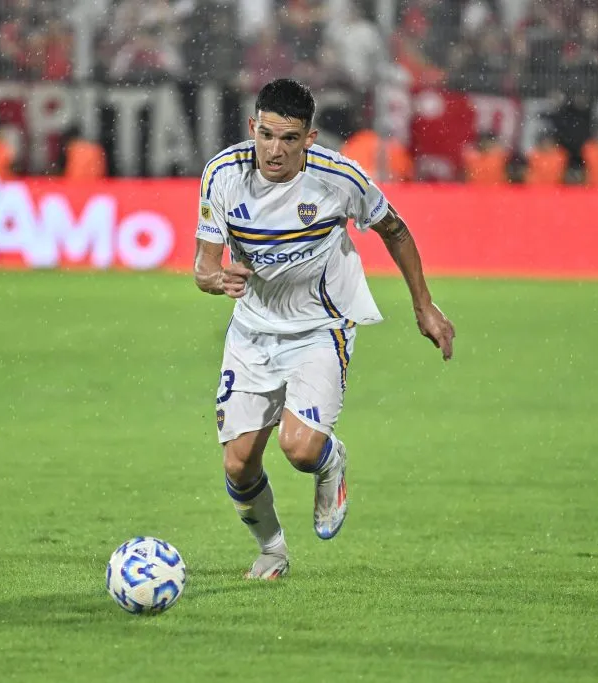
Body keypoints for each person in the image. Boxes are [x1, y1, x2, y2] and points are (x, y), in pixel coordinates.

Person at [193, 79, 455, 579]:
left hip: (320, 327)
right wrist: (214, 278)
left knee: (299, 447)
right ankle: (272, 550)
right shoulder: (222, 175)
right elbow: (204, 267)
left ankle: (330, 461)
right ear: (253, 128)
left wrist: (424, 305)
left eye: (289, 139)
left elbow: (394, 229)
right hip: (251, 331)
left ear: (309, 139)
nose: (274, 150)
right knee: (238, 464)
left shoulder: (339, 179)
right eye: (266, 135)